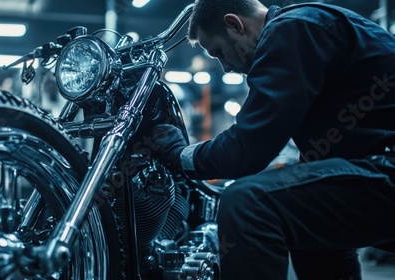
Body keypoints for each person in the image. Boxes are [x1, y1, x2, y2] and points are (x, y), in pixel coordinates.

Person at [150, 0, 395, 279]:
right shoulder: (306, 25)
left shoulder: (291, 29)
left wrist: (180, 155)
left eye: (219, 52)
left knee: (247, 203)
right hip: (379, 166)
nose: (226, 67)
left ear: (235, 24)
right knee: (306, 219)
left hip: (387, 168)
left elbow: (249, 148)